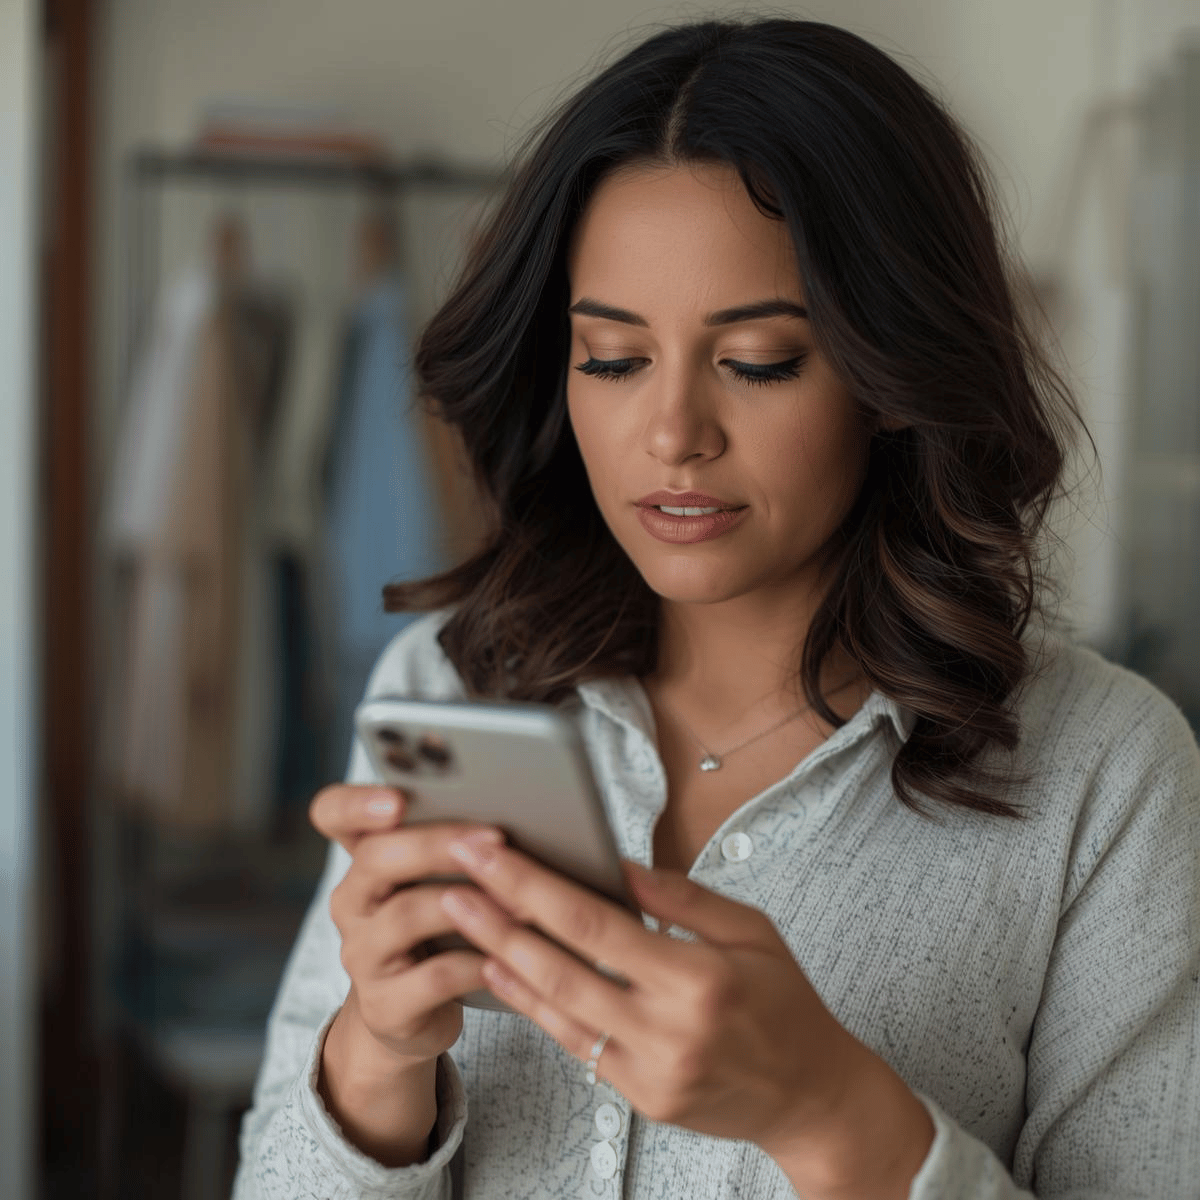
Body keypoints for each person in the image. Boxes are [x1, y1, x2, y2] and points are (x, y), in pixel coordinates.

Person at [234, 17, 1200, 1200]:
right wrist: (376, 1059)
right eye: (612, 358)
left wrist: (832, 1116)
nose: (672, 434)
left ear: (891, 376)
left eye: (756, 361)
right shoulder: (451, 684)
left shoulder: (1104, 777)